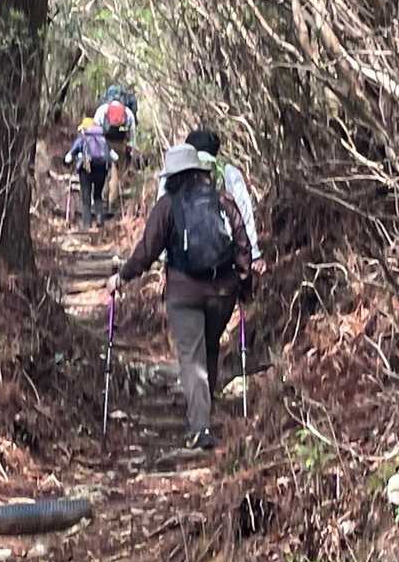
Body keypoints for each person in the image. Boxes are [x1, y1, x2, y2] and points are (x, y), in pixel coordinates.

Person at [106, 144, 252, 450]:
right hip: (223, 291)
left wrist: (122, 277)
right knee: (209, 348)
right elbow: (242, 242)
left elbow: (147, 251)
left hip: (184, 293)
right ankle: (204, 412)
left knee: (192, 357)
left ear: (172, 176)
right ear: (199, 171)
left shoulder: (168, 206)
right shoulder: (223, 200)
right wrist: (243, 282)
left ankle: (200, 426)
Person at [158, 127, 266, 273]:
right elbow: (244, 213)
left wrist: (163, 255)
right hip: (223, 260)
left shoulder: (173, 174)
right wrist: (254, 255)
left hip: (183, 263)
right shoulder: (228, 172)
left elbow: (162, 217)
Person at [65, 119, 115, 229]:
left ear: (85, 128)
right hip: (101, 169)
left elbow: (68, 157)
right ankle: (99, 220)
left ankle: (86, 225)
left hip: (86, 170)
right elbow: (114, 156)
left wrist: (71, 159)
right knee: (98, 195)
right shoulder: (103, 139)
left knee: (86, 198)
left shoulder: (82, 139)